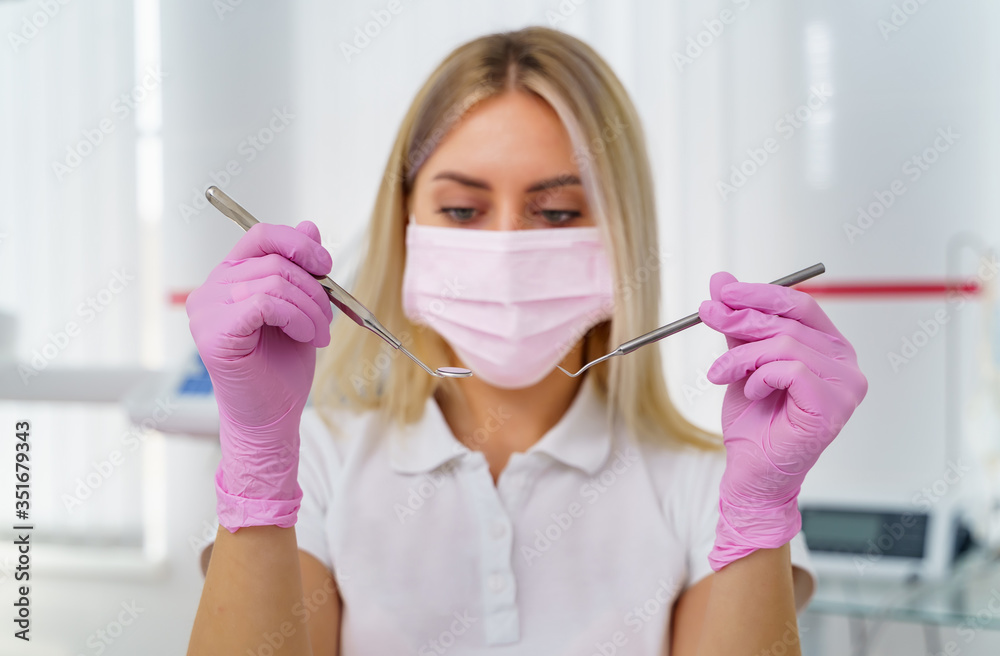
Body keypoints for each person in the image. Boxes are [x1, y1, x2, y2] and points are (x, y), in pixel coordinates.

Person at [185, 26, 867, 656]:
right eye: (461, 209)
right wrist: (256, 465)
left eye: (557, 212)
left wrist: (758, 512)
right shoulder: (320, 465)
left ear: (618, 232)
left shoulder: (710, 486)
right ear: (404, 224)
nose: (508, 242)